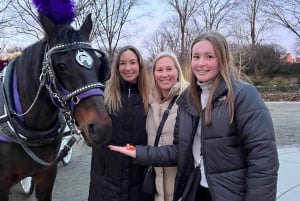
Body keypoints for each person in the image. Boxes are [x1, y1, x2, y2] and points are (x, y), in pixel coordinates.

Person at [110, 31, 279, 201]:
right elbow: (178, 151)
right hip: (196, 190)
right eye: (196, 57)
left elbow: (263, 161)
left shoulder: (243, 95)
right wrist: (137, 152)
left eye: (209, 56)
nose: (201, 63)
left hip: (230, 194)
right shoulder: (189, 100)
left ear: (223, 58)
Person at [110, 51, 188, 201]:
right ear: (153, 74)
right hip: (157, 192)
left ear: (178, 71)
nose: (164, 74)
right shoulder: (149, 103)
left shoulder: (189, 100)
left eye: (169, 69)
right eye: (159, 70)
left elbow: (183, 150)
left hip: (182, 189)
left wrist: (137, 153)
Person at [88, 45, 153, 201]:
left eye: (132, 62)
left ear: (140, 65)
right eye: (122, 63)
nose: (128, 68)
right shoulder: (102, 96)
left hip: (138, 183)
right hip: (106, 183)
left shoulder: (151, 97)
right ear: (116, 68)